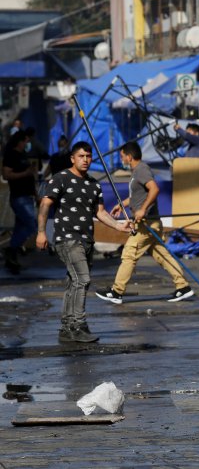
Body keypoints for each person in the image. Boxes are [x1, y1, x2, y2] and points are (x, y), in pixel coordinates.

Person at [36, 141, 132, 343]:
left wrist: (118, 226)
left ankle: (67, 327)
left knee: (74, 282)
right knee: (83, 279)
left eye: (89, 156)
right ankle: (78, 325)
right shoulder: (61, 179)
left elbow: (100, 212)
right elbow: (45, 204)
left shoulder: (93, 184)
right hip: (66, 238)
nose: (86, 160)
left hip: (87, 239)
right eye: (81, 156)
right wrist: (42, 232)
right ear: (73, 158)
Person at [94, 142, 193, 302]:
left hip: (147, 223)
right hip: (150, 223)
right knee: (162, 255)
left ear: (129, 156)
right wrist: (122, 204)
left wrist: (142, 210)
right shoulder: (137, 172)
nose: (122, 160)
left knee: (129, 253)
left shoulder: (141, 169)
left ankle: (117, 291)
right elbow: (138, 196)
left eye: (122, 156)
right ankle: (183, 286)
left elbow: (154, 189)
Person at [2, 131, 38, 273]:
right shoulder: (11, 155)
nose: (27, 144)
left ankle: (12, 256)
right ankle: (11, 249)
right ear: (19, 141)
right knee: (31, 224)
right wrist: (25, 173)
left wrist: (36, 194)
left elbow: (30, 177)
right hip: (19, 197)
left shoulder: (23, 155)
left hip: (28, 195)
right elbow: (6, 174)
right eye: (25, 141)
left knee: (20, 227)